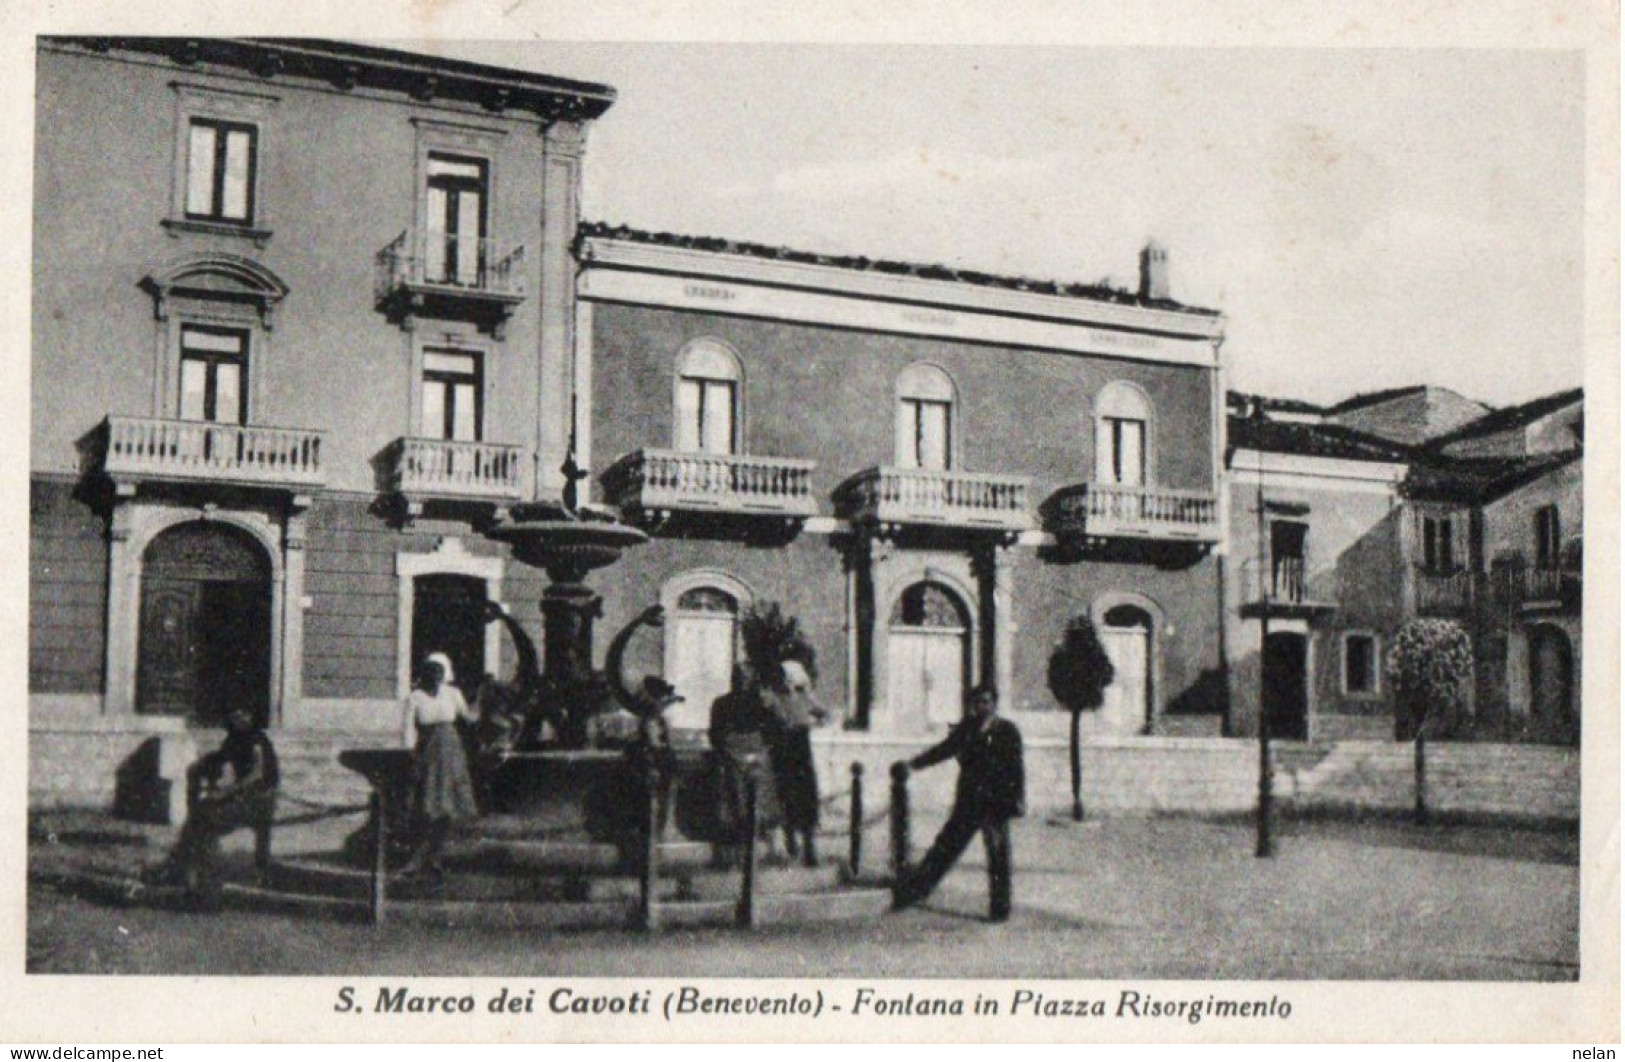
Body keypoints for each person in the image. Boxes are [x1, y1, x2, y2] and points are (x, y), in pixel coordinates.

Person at [892, 684, 1025, 922]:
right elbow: (943, 750)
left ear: (995, 703)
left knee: (997, 855)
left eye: (986, 701)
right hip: (970, 799)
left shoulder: (1008, 730)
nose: (982, 706)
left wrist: (1017, 800)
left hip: (995, 803)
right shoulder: (967, 729)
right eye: (978, 702)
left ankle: (999, 908)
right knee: (946, 845)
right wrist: (914, 764)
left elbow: (1016, 769)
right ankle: (916, 890)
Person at [147, 707, 280, 911]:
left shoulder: (256, 738)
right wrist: (200, 765)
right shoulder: (235, 738)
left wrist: (225, 792)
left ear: (250, 716)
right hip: (245, 799)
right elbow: (221, 757)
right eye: (233, 714)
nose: (236, 718)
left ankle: (207, 890)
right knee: (200, 816)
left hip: (259, 801)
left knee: (206, 823)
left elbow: (257, 773)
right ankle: (179, 868)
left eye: (240, 714)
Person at [399, 652, 480, 879]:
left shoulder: (453, 694)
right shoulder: (415, 697)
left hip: (451, 753)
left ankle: (437, 858)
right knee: (425, 807)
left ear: (444, 675)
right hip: (427, 753)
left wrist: (484, 699)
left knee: (446, 808)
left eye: (439, 672)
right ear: (423, 674)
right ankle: (416, 859)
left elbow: (469, 717)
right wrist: (411, 753)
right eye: (430, 672)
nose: (435, 677)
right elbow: (407, 728)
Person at [707, 664, 783, 866]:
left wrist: (761, 748)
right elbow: (715, 733)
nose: (740, 681)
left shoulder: (760, 703)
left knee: (761, 803)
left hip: (757, 758)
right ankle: (731, 854)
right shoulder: (721, 703)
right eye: (736, 677)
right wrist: (728, 749)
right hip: (732, 759)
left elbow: (774, 728)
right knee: (731, 804)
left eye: (744, 678)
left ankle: (764, 850)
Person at [763, 658, 829, 867]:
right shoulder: (773, 698)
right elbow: (770, 722)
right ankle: (791, 844)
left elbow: (824, 713)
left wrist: (814, 720)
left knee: (806, 798)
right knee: (786, 797)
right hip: (782, 754)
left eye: (788, 677)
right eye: (783, 677)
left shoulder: (803, 697)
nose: (786, 682)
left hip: (801, 753)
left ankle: (809, 848)